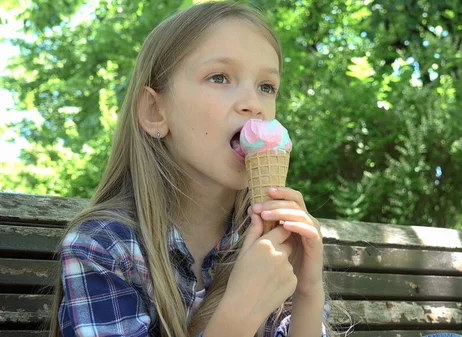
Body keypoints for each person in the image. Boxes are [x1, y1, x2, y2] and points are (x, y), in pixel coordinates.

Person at [48, 2, 332, 336]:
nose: (254, 104)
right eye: (220, 77)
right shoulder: (106, 247)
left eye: (266, 86)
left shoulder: (264, 244)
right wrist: (241, 309)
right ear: (155, 111)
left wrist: (308, 293)